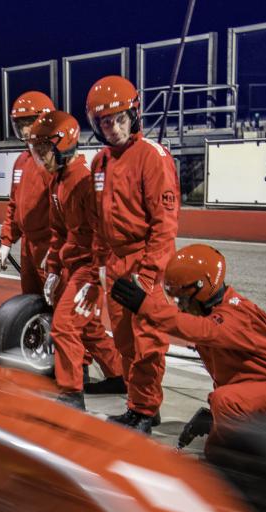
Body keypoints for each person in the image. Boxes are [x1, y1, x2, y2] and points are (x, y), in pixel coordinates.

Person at [109, 244, 266, 451]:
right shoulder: (214, 313)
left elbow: (200, 329)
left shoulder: (235, 315)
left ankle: (256, 457)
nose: (179, 305)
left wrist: (146, 306)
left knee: (225, 406)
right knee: (223, 407)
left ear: (202, 288)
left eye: (181, 298)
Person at [76, 75, 179, 434]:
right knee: (124, 341)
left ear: (133, 115)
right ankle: (139, 406)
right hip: (116, 263)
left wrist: (148, 275)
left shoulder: (152, 156)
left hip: (146, 261)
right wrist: (98, 267)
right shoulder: (99, 163)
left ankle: (146, 411)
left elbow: (165, 224)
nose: (115, 129)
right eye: (106, 123)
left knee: (148, 341)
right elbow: (97, 222)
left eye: (120, 119)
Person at [25, 111, 123, 410]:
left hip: (89, 267)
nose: (40, 157)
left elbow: (102, 233)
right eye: (37, 149)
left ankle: (71, 393)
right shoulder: (58, 180)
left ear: (63, 144)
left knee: (64, 325)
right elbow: (58, 230)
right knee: (88, 326)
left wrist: (97, 274)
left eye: (44, 149)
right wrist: (54, 268)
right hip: (73, 265)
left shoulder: (84, 181)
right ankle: (119, 374)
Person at [0, 91, 54, 295]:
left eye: (29, 122)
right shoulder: (21, 161)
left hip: (48, 245)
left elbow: (67, 212)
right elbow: (14, 205)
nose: (25, 129)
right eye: (21, 124)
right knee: (30, 300)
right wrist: (6, 242)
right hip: (27, 248)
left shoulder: (53, 162)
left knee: (55, 302)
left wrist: (58, 248)